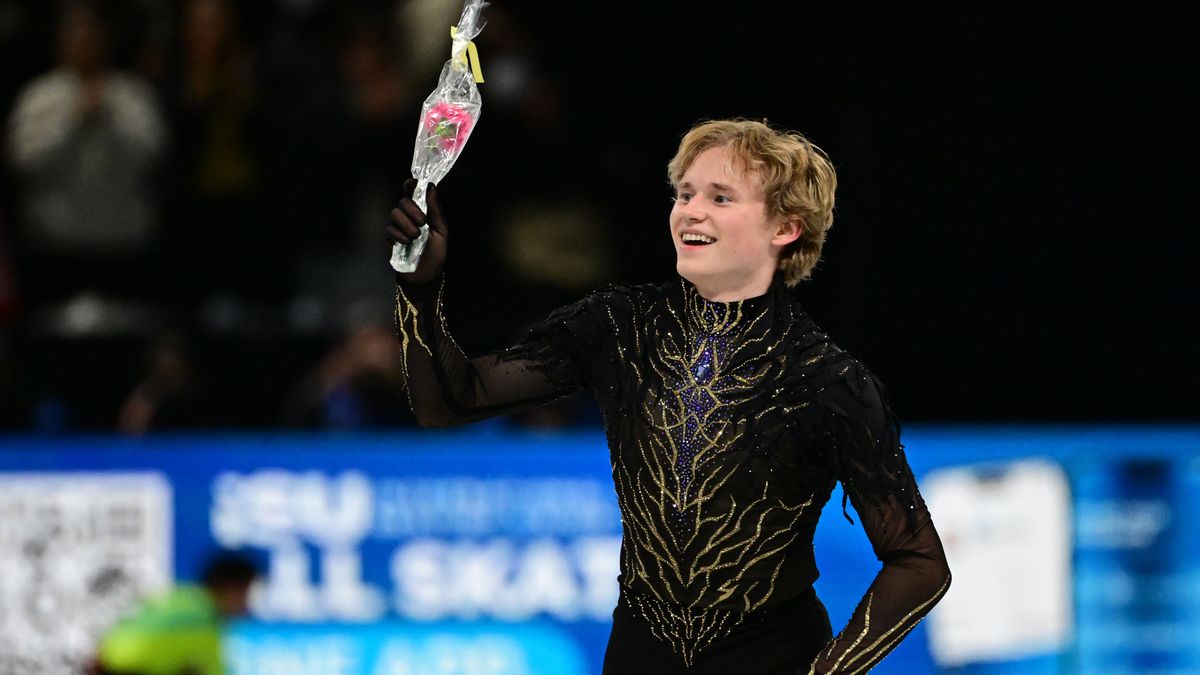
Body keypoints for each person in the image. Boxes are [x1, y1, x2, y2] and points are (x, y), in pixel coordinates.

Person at [386, 118, 951, 674]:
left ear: (785, 228)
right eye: (684, 194)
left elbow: (920, 563)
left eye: (720, 197)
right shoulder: (619, 327)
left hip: (771, 656)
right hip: (639, 655)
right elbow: (449, 402)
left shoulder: (827, 381)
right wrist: (420, 288)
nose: (691, 210)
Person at [91, 552, 258, 675]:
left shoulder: (177, 598)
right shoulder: (205, 621)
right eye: (247, 594)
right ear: (230, 590)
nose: (248, 606)